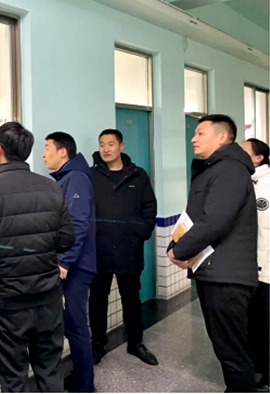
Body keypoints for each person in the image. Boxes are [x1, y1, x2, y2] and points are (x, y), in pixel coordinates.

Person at [0, 121, 75, 393]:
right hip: (47, 298)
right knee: (50, 370)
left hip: (7, 302)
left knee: (13, 377)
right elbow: (66, 240)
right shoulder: (51, 187)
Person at [168, 114, 258, 393]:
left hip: (227, 276)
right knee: (227, 348)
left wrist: (179, 250)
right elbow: (199, 217)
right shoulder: (216, 168)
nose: (193, 139)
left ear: (222, 137)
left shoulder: (229, 169)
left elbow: (215, 220)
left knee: (232, 352)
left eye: (200, 133)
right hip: (217, 272)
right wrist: (177, 245)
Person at [89, 129, 158, 366]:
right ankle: (98, 344)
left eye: (111, 144)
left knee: (131, 298)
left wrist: (141, 232)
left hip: (129, 249)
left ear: (121, 146)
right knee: (97, 300)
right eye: (102, 144)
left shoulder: (138, 175)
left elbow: (149, 207)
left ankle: (135, 342)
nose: (106, 149)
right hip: (99, 250)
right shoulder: (91, 176)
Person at [43, 132, 97, 393]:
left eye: (47, 148)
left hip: (76, 266)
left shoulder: (76, 178)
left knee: (75, 326)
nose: (44, 155)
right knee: (71, 325)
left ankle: (84, 385)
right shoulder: (67, 177)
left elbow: (77, 222)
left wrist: (64, 261)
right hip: (72, 263)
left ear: (62, 151)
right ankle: (80, 379)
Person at [241, 138, 270, 392]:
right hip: (245, 268)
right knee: (249, 323)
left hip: (264, 270)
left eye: (243, 151)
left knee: (263, 324)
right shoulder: (243, 181)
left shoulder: (267, 186)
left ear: (258, 158)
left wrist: (261, 267)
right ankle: (253, 368)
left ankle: (266, 373)